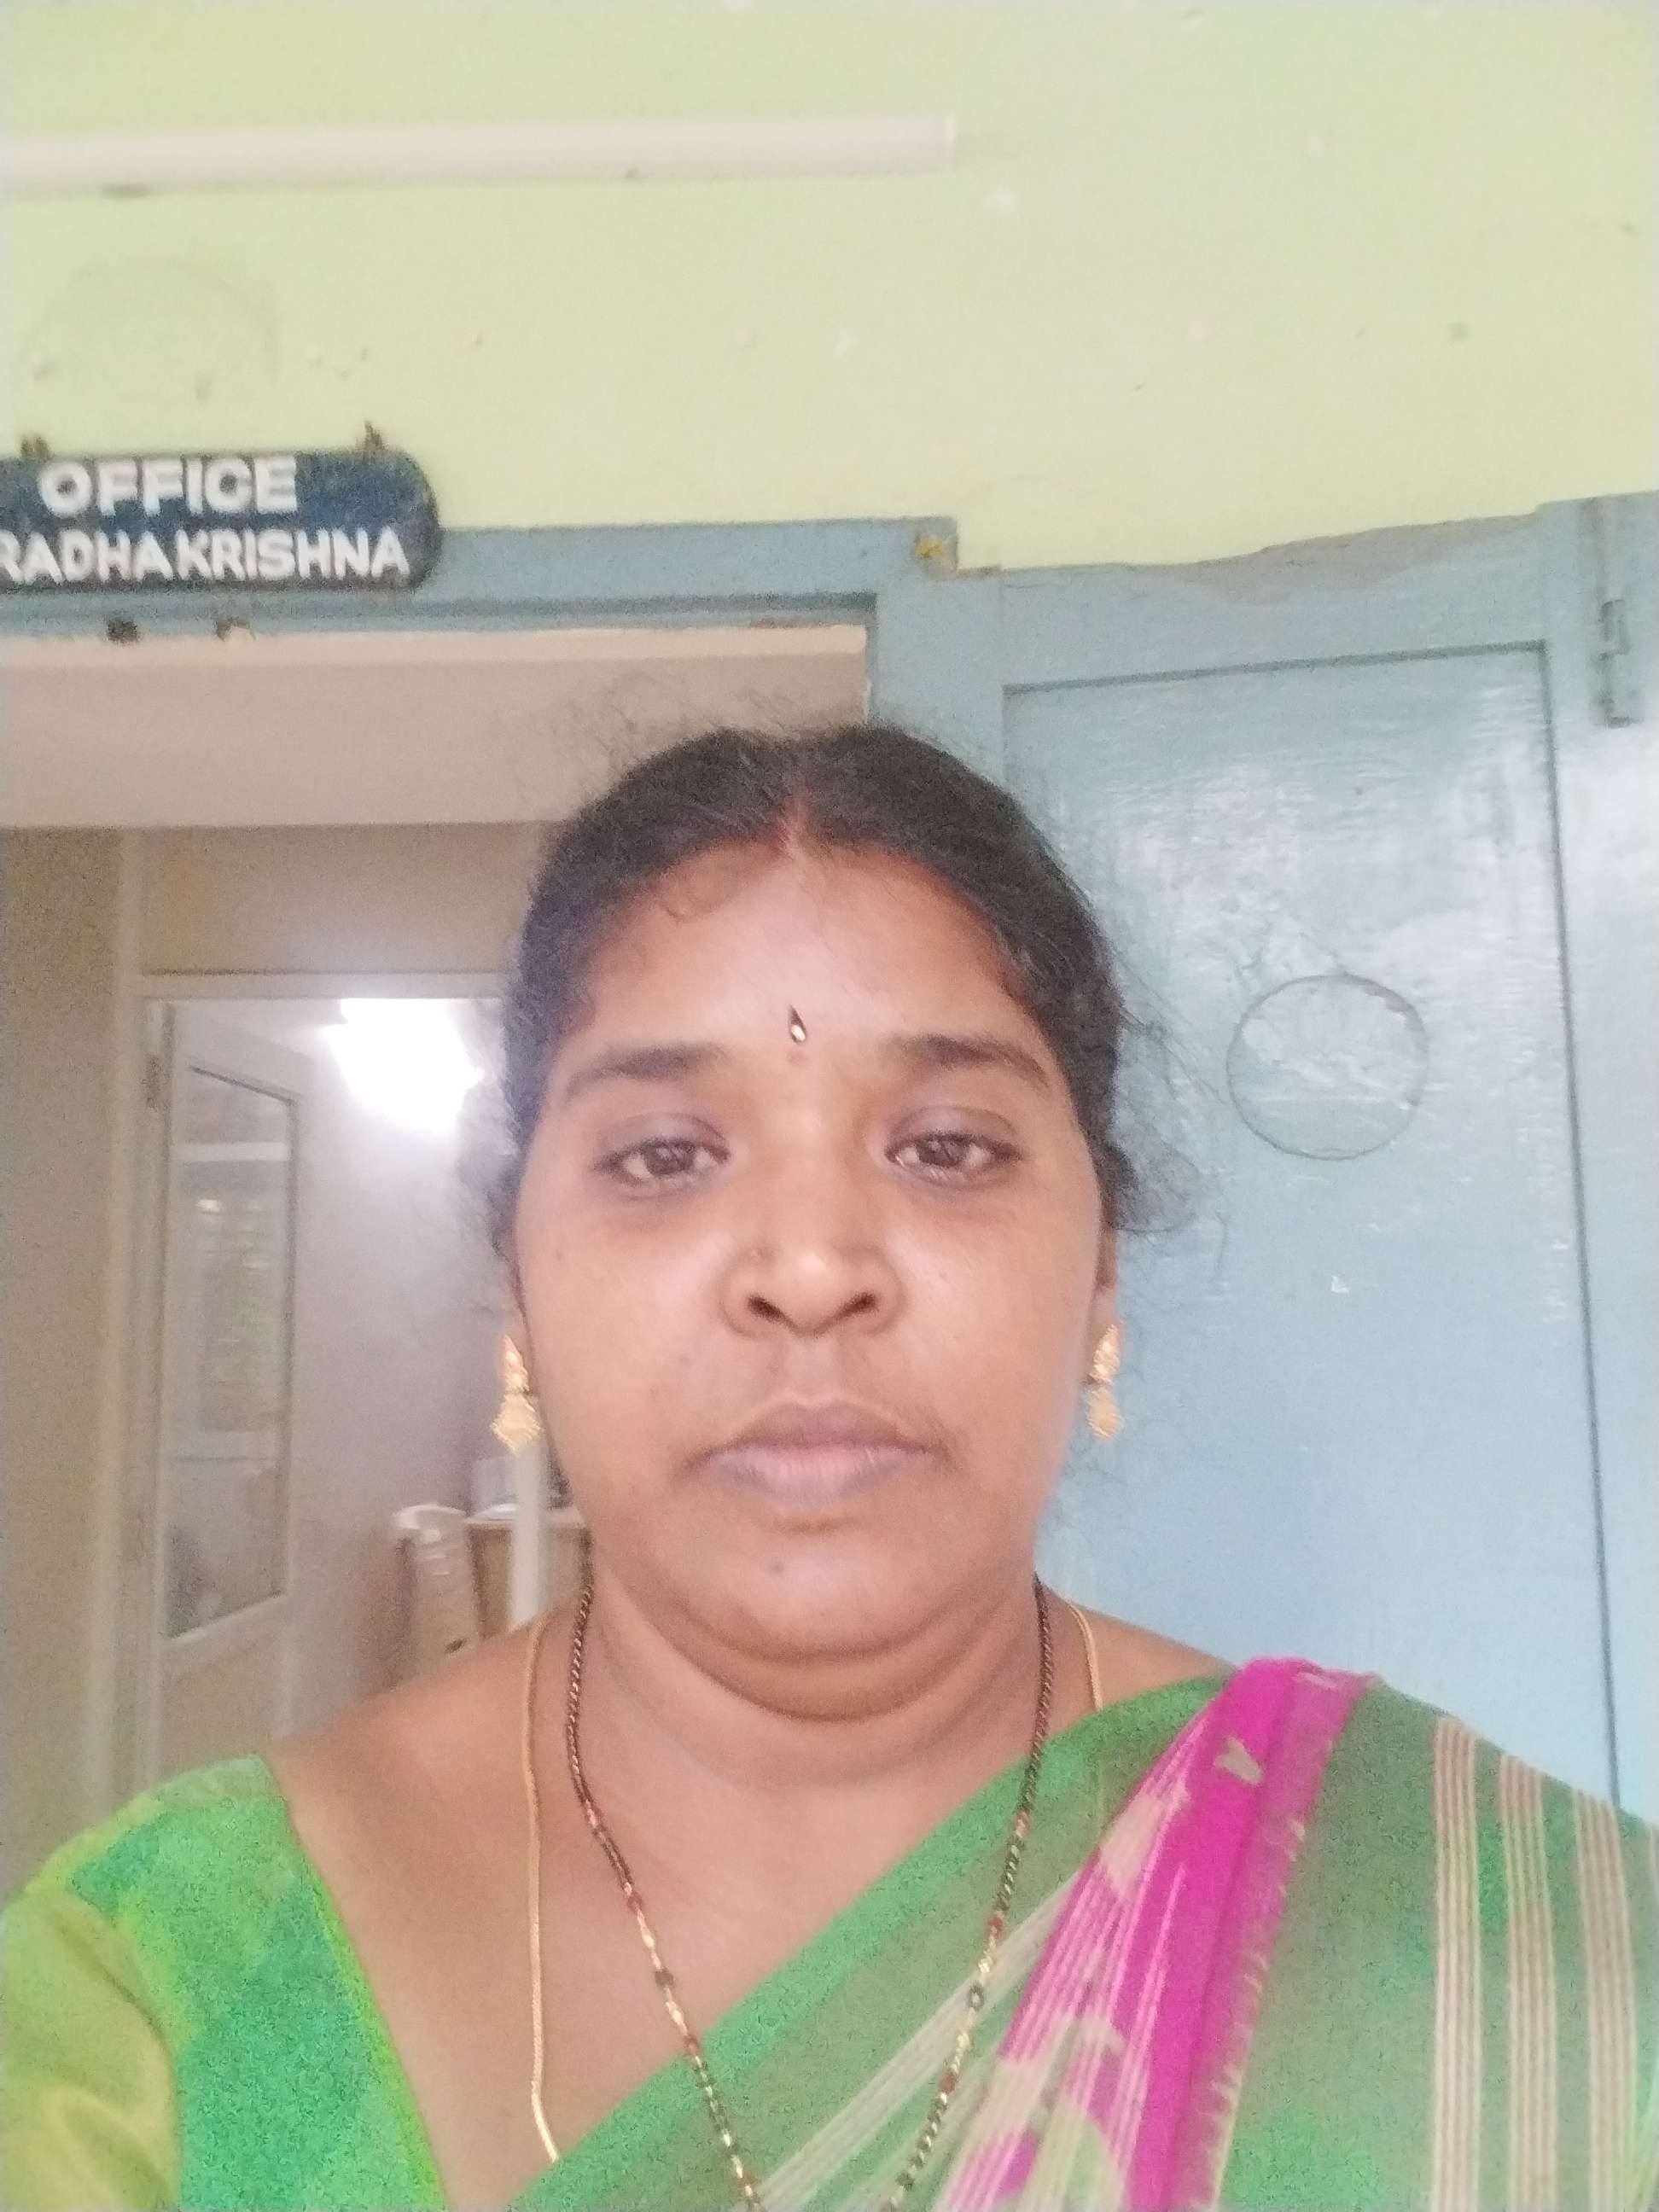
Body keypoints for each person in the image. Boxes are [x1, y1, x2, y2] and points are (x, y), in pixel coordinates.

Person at [4, 723, 1655, 2212]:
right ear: (517, 1287)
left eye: (945, 1147)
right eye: (666, 1155)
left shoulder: (1502, 1949)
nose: (808, 1268)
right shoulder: (157, 1994)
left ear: (1099, 1278)